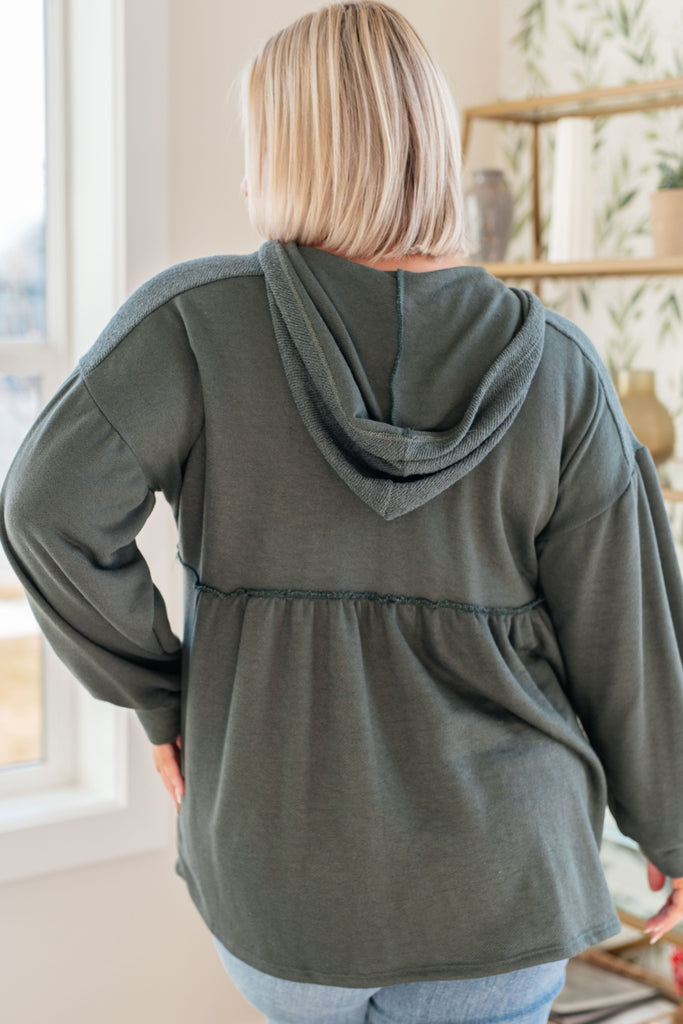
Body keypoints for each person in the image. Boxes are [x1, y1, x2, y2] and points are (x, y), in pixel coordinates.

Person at [2, 1, 683, 1021]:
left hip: (282, 891)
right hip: (498, 888)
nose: (245, 181)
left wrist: (160, 694)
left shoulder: (193, 323)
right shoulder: (558, 369)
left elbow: (43, 508)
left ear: (291, 156)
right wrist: (672, 831)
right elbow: (626, 632)